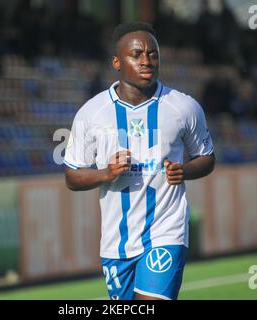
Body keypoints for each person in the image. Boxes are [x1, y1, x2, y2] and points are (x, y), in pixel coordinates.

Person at [64, 22, 215, 300]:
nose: (146, 61)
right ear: (117, 62)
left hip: (166, 232)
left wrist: (185, 170)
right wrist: (105, 173)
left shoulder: (183, 107)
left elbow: (206, 158)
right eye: (137, 54)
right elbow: (72, 176)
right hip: (116, 243)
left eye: (153, 54)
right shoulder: (92, 113)